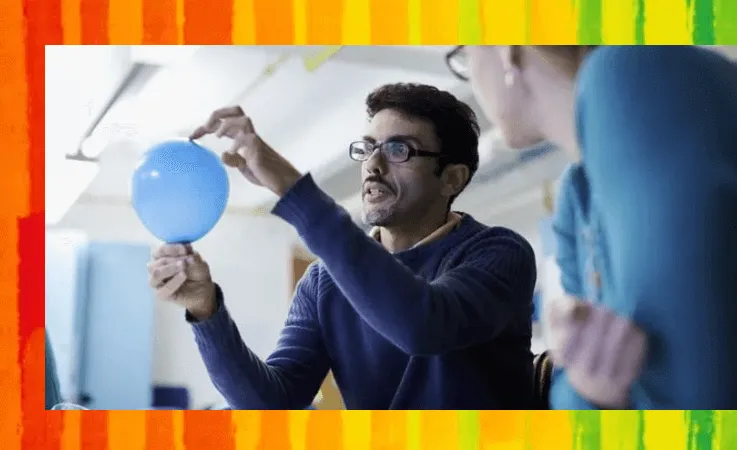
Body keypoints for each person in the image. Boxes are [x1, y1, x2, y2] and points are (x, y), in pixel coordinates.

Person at [147, 83, 539, 409]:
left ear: (451, 179)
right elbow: (272, 403)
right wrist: (205, 308)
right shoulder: (323, 282)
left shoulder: (499, 254)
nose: (373, 165)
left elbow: (423, 326)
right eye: (368, 147)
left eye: (398, 150)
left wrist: (290, 186)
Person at [455, 45, 737, 409]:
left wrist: (591, 394)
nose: (469, 72)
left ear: (506, 49)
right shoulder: (576, 200)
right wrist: (587, 391)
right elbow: (575, 393)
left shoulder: (629, 75)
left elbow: (695, 404)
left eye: (464, 53)